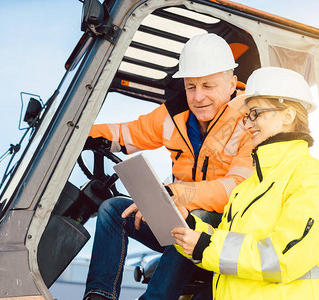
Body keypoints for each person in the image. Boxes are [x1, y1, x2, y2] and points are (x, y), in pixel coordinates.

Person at [83, 33, 253, 300]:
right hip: (179, 215)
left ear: (232, 84)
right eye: (190, 86)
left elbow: (236, 189)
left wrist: (174, 195)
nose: (198, 97)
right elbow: (127, 133)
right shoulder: (174, 114)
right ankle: (99, 295)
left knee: (197, 218)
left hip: (225, 229)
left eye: (208, 86)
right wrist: (76, 135)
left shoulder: (252, 121)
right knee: (112, 210)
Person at [172, 67, 319, 299]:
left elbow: (283, 258)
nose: (247, 124)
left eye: (255, 114)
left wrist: (207, 245)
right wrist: (190, 226)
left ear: (288, 116)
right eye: (246, 116)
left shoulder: (309, 179)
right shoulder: (247, 189)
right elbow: (227, 248)